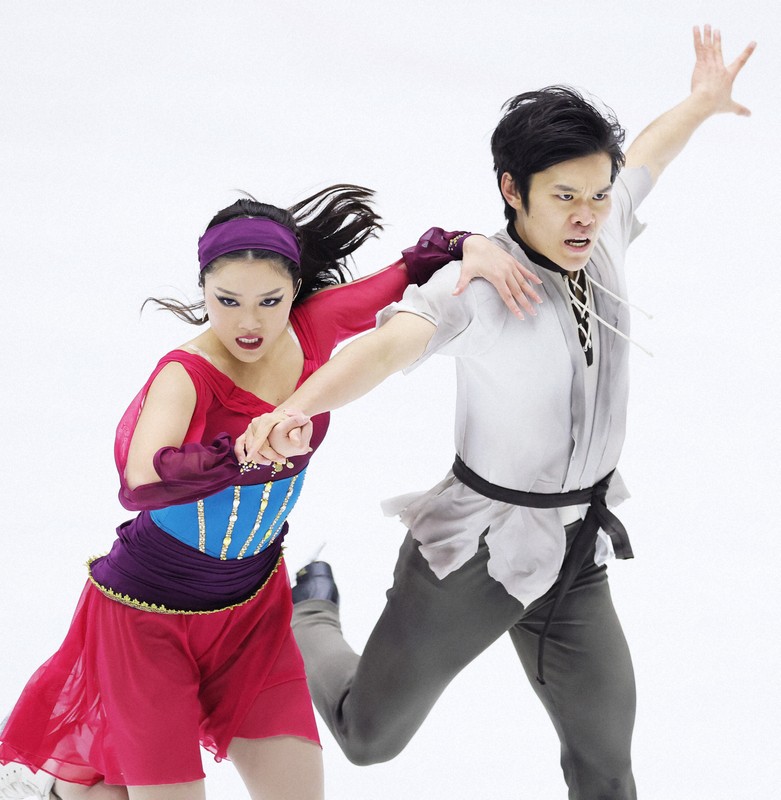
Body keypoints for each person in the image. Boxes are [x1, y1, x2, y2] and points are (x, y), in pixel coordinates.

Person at [237, 26, 756, 799]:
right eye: (563, 197)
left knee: (606, 764)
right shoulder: (477, 289)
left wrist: (700, 103)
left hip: (574, 553)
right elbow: (383, 349)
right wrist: (297, 408)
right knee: (367, 737)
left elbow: (648, 154)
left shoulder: (603, 229)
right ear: (512, 190)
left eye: (596, 194)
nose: (585, 216)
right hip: (474, 553)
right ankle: (310, 615)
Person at [0, 185, 541, 800]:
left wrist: (472, 245)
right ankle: (66, 792)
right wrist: (241, 451)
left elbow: (413, 268)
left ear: (294, 289)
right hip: (149, 617)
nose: (249, 323)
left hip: (253, 614)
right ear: (204, 289)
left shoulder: (312, 330)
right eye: (227, 301)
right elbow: (142, 478)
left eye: (270, 301)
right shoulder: (186, 373)